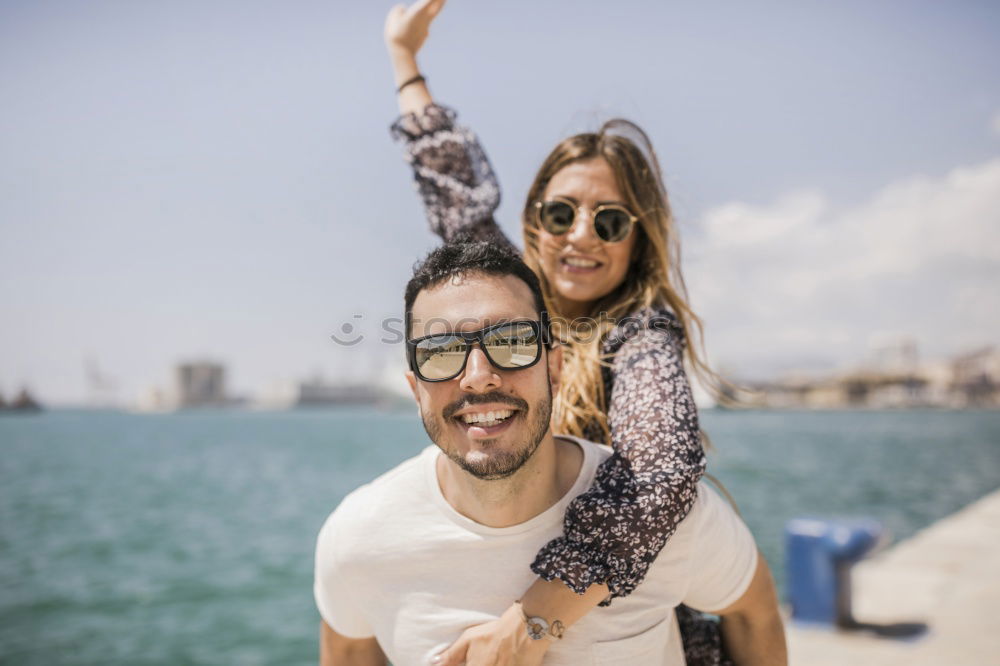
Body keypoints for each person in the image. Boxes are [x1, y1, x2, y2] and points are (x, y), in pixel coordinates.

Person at [383, 2, 742, 664]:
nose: (580, 236)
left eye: (609, 221)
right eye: (561, 212)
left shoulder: (640, 333)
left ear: (638, 238)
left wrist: (534, 618)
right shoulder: (510, 298)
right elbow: (454, 185)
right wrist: (404, 57)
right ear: (534, 221)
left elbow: (659, 474)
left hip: (619, 616)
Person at [314, 242, 786, 666]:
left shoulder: (664, 517)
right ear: (416, 389)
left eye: (513, 342)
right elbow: (350, 649)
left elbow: (754, 614)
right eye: (441, 352)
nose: (478, 376)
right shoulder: (358, 539)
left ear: (554, 366)